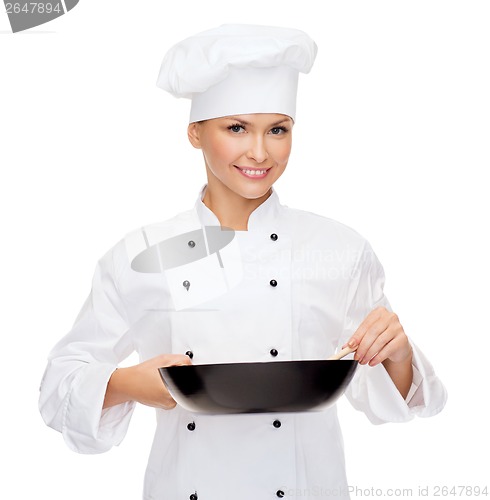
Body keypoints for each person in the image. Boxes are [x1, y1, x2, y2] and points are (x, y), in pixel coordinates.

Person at [39, 24, 447, 499]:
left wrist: (397, 354)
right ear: (195, 132)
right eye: (236, 128)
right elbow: (58, 387)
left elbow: (401, 401)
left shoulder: (338, 248)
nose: (259, 152)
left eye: (277, 130)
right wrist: (127, 383)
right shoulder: (140, 254)